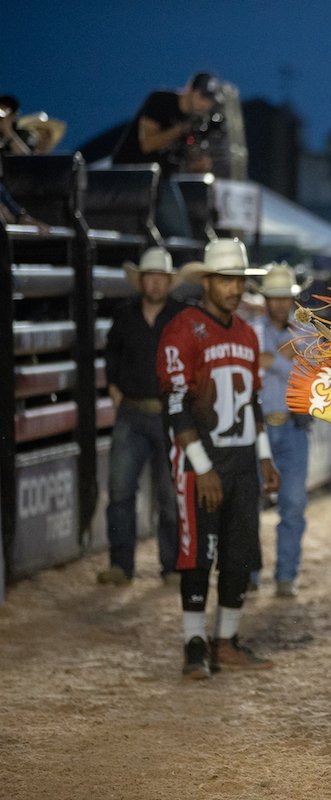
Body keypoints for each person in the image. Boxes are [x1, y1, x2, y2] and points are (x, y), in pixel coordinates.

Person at [159, 238, 278, 679]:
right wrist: (201, 465)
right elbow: (175, 402)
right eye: (226, 279)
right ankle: (194, 642)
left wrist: (263, 456)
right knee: (198, 551)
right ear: (206, 281)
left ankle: (225, 641)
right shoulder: (183, 328)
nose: (234, 288)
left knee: (239, 552)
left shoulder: (247, 334)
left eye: (240, 280)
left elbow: (253, 401)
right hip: (201, 457)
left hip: (243, 458)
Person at [98, 247, 186, 587]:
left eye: (160, 277)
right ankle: (121, 565)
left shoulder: (181, 317)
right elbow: (112, 353)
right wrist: (115, 388)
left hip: (168, 414)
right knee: (120, 491)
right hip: (132, 411)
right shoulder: (125, 315)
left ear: (167, 281)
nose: (155, 282)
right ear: (142, 280)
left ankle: (173, 565)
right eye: (150, 276)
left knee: (170, 495)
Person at [252, 263, 313, 598]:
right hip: (264, 426)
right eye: (273, 298)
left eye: (283, 298)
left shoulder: (303, 334)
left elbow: (309, 378)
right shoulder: (299, 335)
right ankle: (260, 574)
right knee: (251, 504)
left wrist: (272, 360)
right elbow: (255, 370)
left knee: (291, 504)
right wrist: (285, 360)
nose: (278, 303)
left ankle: (283, 575)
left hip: (287, 426)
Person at [112, 72, 222, 238]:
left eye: (209, 100)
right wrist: (181, 130)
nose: (205, 104)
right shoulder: (161, 100)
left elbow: (182, 159)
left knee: (188, 228)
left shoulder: (194, 120)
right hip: (132, 174)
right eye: (202, 96)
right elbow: (147, 144)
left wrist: (198, 163)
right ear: (190, 89)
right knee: (180, 235)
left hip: (161, 179)